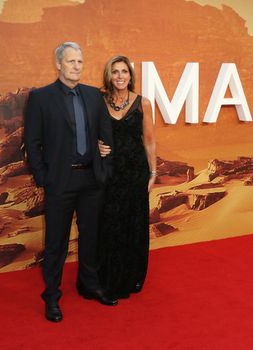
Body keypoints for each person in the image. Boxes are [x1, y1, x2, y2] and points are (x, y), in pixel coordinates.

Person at [24, 42, 118, 323]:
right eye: (70, 61)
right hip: (60, 183)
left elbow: (106, 135)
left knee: (91, 237)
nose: (76, 66)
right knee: (56, 243)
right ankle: (51, 296)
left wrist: (105, 163)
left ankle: (89, 285)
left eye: (79, 61)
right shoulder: (41, 97)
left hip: (91, 179)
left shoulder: (92, 95)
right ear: (58, 64)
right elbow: (32, 141)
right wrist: (44, 178)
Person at [97, 55, 156, 300]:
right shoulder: (99, 102)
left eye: (124, 72)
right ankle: (111, 279)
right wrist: (96, 147)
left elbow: (150, 140)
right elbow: (88, 134)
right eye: (115, 72)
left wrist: (153, 172)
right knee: (110, 225)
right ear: (108, 76)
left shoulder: (144, 103)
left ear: (131, 77)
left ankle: (133, 277)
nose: (120, 76)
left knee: (134, 224)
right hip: (109, 172)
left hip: (135, 171)